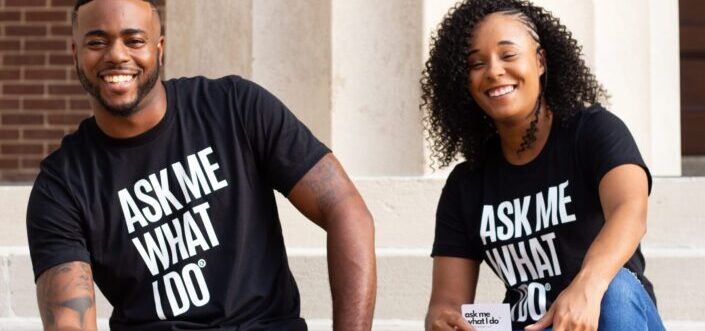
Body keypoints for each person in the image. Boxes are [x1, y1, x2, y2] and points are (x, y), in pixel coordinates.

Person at [26, 0, 376, 330]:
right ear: (75, 54)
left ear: (159, 48)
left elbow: (345, 207)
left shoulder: (235, 107)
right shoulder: (62, 185)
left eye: (134, 40)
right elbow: (69, 319)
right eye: (97, 42)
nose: (117, 55)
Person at [421, 0, 666, 330]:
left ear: (540, 61)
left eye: (508, 55)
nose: (493, 70)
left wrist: (586, 286)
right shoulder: (466, 185)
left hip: (608, 319)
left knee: (616, 290)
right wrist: (444, 321)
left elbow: (631, 212)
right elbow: (446, 304)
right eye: (476, 63)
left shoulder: (592, 131)